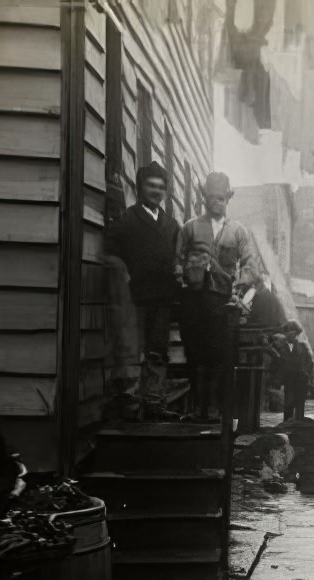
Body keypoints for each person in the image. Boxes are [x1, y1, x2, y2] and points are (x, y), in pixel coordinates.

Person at [176, 172, 263, 422]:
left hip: (222, 301)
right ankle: (196, 408)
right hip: (193, 301)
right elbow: (177, 261)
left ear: (228, 199)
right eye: (213, 198)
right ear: (205, 198)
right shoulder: (190, 228)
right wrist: (183, 279)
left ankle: (214, 407)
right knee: (195, 354)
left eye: (222, 198)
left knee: (219, 355)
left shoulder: (238, 232)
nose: (218, 202)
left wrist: (238, 288)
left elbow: (251, 265)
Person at [105, 161, 180, 420]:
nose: (156, 191)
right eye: (151, 186)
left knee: (158, 352)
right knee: (131, 351)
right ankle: (129, 404)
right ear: (140, 188)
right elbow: (111, 254)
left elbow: (178, 259)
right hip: (134, 299)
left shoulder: (172, 226)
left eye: (161, 187)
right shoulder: (127, 220)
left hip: (162, 299)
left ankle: (154, 403)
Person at [278, 320, 314, 423]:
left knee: (300, 404)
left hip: (301, 379)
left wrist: (308, 376)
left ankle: (298, 425)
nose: (290, 335)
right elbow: (280, 363)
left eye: (293, 332)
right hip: (289, 379)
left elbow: (310, 363)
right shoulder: (282, 348)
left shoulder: (303, 347)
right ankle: (287, 424)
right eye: (288, 332)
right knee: (288, 403)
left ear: (297, 334)